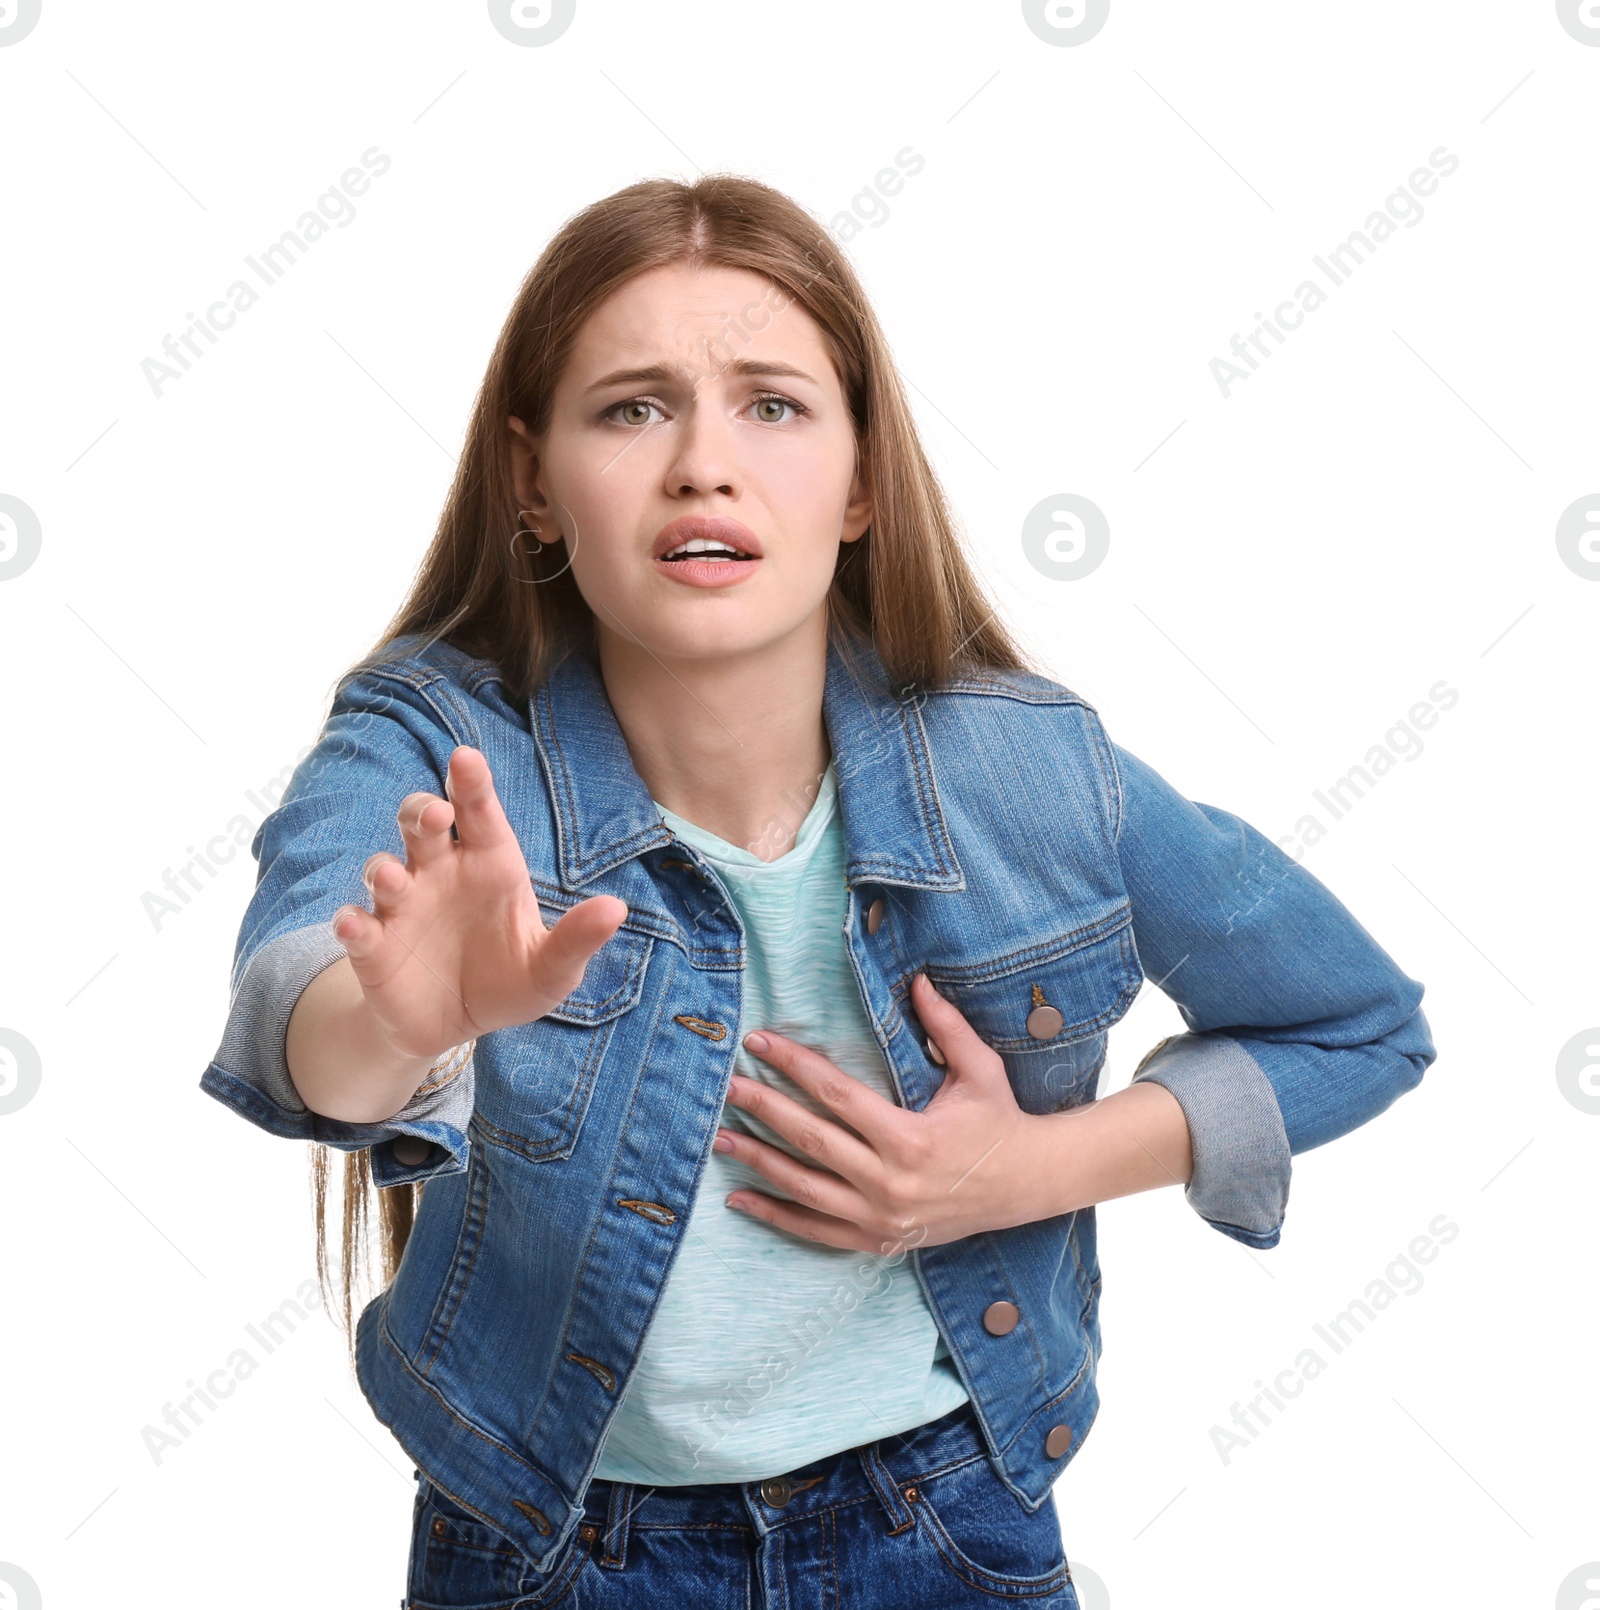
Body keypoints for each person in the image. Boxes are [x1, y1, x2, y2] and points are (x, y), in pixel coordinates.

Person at [200, 173, 1437, 1609]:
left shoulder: (1029, 768)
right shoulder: (430, 743)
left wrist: (1025, 1170)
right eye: (632, 408)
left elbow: (1360, 1027)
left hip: (947, 1529)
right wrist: (399, 1023)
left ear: (859, 481)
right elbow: (296, 1000)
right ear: (532, 484)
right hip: (551, 1554)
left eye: (772, 406)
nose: (702, 467)